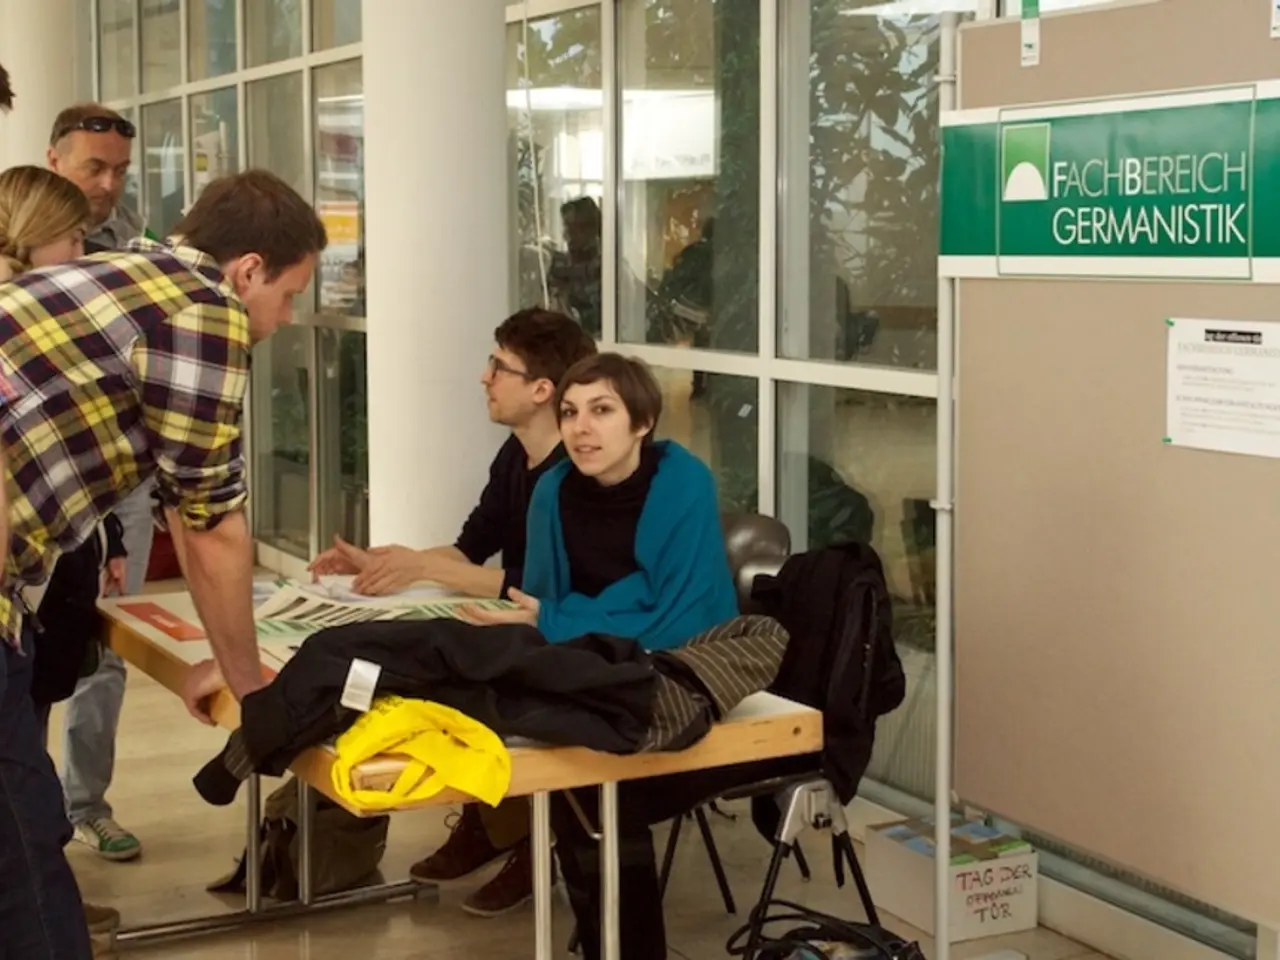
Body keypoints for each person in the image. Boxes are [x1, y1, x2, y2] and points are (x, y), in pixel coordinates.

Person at [0, 167, 327, 960]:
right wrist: (251, 686)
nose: (284, 319)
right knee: (21, 849)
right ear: (248, 270)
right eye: (288, 296)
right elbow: (210, 520)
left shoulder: (123, 270)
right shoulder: (205, 311)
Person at [309, 307, 596, 916]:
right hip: (516, 621)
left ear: (543, 390)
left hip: (560, 629)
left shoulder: (577, 475)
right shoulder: (513, 456)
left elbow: (540, 586)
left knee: (470, 671)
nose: (484, 377)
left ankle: (531, 836)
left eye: (500, 366)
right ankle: (490, 822)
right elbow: (469, 549)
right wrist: (385, 562)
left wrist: (427, 569)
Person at [460, 353, 742, 960]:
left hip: (687, 687)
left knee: (594, 787)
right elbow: (537, 608)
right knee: (561, 771)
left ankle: (625, 948)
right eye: (569, 413)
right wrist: (578, 619)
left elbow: (678, 623)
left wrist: (567, 621)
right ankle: (605, 944)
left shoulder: (684, 482)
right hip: (599, 678)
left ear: (642, 422)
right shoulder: (553, 492)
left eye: (602, 410)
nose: (581, 428)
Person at [44, 103, 157, 863]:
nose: (109, 184)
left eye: (119, 170)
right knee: (27, 646)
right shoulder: (20, 228)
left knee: (105, 642)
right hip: (35, 472)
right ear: (54, 161)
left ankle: (85, 805)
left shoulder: (135, 245)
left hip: (119, 476)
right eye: (94, 167)